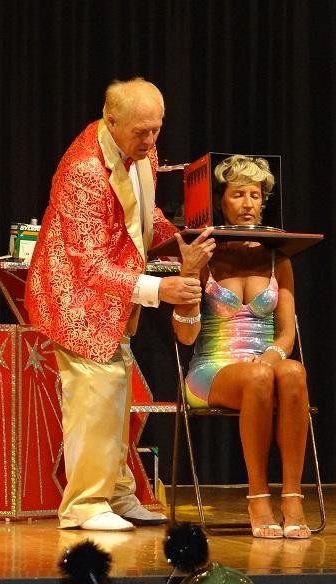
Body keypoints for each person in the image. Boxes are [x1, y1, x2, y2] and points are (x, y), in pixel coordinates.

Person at [25, 78, 215, 531]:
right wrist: (160, 290)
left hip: (116, 294)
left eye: (156, 129)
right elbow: (89, 267)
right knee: (95, 395)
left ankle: (116, 494)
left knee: (115, 395)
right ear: (111, 121)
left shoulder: (142, 150)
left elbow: (145, 215)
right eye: (140, 132)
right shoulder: (83, 171)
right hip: (74, 297)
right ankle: (85, 505)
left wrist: (181, 242)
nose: (150, 141)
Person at [172, 154, 311, 539]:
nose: (248, 203)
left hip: (265, 362)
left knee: (294, 371)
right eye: (238, 194)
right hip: (212, 370)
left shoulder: (277, 259)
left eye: (255, 194)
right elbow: (185, 336)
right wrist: (188, 273)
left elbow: (286, 334)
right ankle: (257, 496)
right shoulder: (206, 258)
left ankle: (293, 496)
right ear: (221, 201)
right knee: (259, 378)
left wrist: (268, 356)